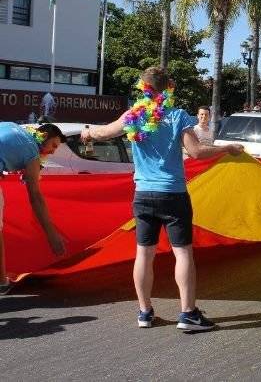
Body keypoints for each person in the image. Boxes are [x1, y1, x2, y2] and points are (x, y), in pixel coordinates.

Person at [81, 67, 244, 330]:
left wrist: (88, 133)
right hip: (173, 195)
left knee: (144, 254)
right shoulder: (177, 115)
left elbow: (103, 133)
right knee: (182, 253)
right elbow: (196, 152)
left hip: (143, 195)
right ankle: (188, 314)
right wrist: (227, 148)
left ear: (143, 87)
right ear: (168, 87)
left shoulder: (133, 116)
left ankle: (144, 313)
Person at [0, 122, 67, 294]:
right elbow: (35, 196)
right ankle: (1, 282)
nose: (53, 151)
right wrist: (51, 234)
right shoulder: (31, 152)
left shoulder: (13, 126)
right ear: (43, 136)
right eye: (53, 145)